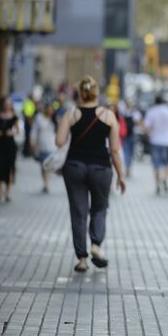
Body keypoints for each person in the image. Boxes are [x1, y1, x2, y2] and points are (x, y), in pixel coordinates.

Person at [56, 75, 126, 273]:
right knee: (99, 207)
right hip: (100, 169)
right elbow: (114, 150)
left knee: (78, 213)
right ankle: (96, 245)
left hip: (75, 167)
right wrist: (121, 175)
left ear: (80, 93)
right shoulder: (108, 115)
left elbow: (59, 141)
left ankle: (82, 260)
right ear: (96, 93)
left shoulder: (71, 113)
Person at [143, 94, 168, 194]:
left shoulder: (151, 111)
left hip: (155, 141)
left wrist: (149, 135)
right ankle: (165, 179)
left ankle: (158, 184)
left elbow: (146, 127)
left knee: (156, 164)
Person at [0, 97, 20, 202]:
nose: (7, 105)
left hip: (9, 145)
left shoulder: (14, 116)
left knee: (9, 167)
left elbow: (18, 130)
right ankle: (0, 191)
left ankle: (8, 192)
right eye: (6, 103)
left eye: (9, 103)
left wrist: (12, 132)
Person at [30, 103, 57, 193]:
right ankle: (45, 183)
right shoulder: (39, 118)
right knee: (42, 166)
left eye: (51, 110)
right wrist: (32, 143)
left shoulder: (54, 120)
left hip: (52, 147)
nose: (50, 111)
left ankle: (46, 184)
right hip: (41, 146)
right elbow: (34, 131)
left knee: (47, 166)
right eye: (48, 109)